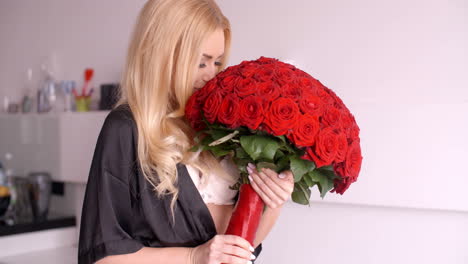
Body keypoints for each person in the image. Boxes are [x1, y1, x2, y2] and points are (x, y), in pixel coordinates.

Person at [78, 0, 295, 263]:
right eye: (201, 63)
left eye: (217, 62)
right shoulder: (125, 127)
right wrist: (193, 256)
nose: (211, 76)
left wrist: (273, 202)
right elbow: (102, 256)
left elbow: (241, 248)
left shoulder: (222, 127)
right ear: (161, 55)